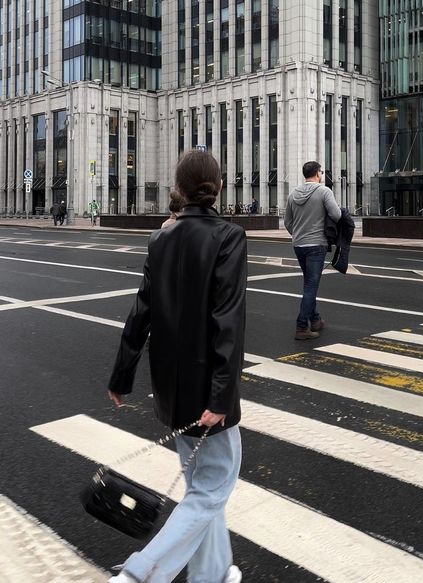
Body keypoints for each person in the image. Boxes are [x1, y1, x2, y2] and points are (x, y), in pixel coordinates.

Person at [107, 149, 247, 583]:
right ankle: (138, 575)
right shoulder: (229, 236)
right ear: (217, 187)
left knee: (202, 488)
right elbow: (228, 322)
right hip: (209, 391)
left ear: (179, 189)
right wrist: (222, 395)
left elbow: (141, 311)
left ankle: (214, 574)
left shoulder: (160, 238)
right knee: (212, 488)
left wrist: (122, 375)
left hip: (169, 386)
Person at [284, 161, 341, 341]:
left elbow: (287, 222)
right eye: (321, 172)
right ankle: (302, 326)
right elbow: (337, 215)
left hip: (299, 246)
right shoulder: (324, 191)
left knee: (309, 282)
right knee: (311, 285)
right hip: (317, 245)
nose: (321, 174)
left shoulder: (293, 194)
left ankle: (315, 319)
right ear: (317, 173)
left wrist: (298, 234)